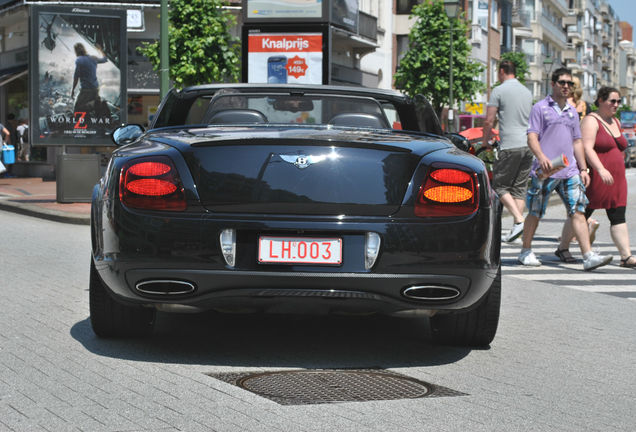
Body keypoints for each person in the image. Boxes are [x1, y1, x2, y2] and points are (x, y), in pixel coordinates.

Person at [518, 67, 612, 271]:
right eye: (562, 83)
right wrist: (541, 157)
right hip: (546, 171)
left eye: (570, 84)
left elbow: (577, 141)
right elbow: (532, 136)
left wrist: (584, 169)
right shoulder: (540, 108)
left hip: (569, 171)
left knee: (578, 211)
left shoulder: (571, 111)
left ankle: (588, 256)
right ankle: (525, 250)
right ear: (552, 84)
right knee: (535, 212)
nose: (567, 87)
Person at [559, 87, 635, 268]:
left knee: (617, 214)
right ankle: (563, 247)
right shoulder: (591, 121)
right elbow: (586, 147)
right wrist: (600, 169)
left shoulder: (615, 121)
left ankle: (626, 257)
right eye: (612, 101)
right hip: (596, 176)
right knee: (582, 213)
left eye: (618, 101)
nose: (616, 105)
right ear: (600, 100)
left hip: (616, 179)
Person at [483, 60, 534, 242]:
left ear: (502, 71)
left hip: (510, 145)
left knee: (499, 185)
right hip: (528, 146)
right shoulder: (527, 92)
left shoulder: (499, 90)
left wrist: (485, 141)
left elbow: (489, 120)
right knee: (519, 189)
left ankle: (519, 219)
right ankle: (517, 228)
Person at [71, 43, 107, 113]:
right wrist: (100, 49)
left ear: (76, 51)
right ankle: (95, 103)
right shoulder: (93, 58)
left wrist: (72, 90)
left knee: (77, 108)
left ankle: (94, 104)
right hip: (95, 88)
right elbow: (105, 59)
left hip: (86, 89)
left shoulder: (78, 60)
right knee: (95, 110)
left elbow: (76, 77)